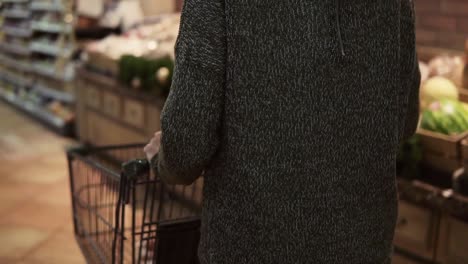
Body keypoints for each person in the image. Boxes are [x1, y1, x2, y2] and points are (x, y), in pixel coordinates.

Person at [144, 0, 420, 263]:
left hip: (251, 247)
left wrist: (165, 158)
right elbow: (405, 120)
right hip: (364, 246)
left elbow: (188, 142)